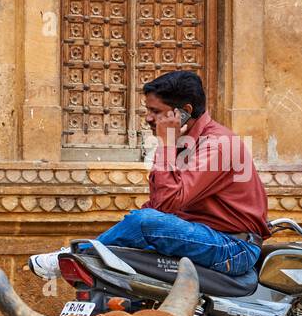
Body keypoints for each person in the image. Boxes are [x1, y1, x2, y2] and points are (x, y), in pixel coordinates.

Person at [28, 70, 268, 279]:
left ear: (184, 112)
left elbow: (167, 203)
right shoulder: (185, 142)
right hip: (203, 236)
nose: (148, 118)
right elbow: (160, 208)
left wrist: (166, 143)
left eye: (156, 111)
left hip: (233, 247)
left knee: (143, 223)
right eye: (147, 110)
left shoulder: (218, 144)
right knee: (138, 228)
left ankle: (77, 255)